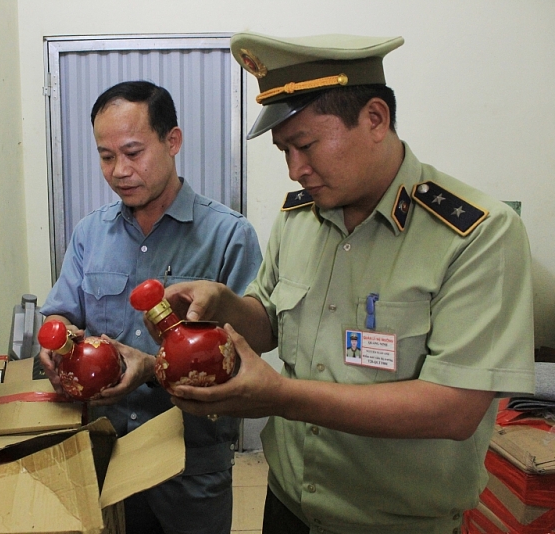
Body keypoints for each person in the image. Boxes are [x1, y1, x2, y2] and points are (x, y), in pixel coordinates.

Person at [160, 32, 536, 533]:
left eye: (306, 146)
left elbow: (453, 410)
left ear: (375, 119)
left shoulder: (477, 235)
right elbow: (269, 323)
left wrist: (279, 396)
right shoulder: (300, 218)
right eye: (284, 151)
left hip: (394, 522)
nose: (296, 171)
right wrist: (227, 304)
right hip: (287, 504)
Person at [38, 80, 262, 534]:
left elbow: (247, 355)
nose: (120, 170)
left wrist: (152, 368)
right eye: (106, 156)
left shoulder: (228, 235)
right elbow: (62, 313)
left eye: (133, 152)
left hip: (191, 463)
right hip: (105, 453)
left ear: (172, 141)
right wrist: (56, 343)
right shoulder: (89, 234)